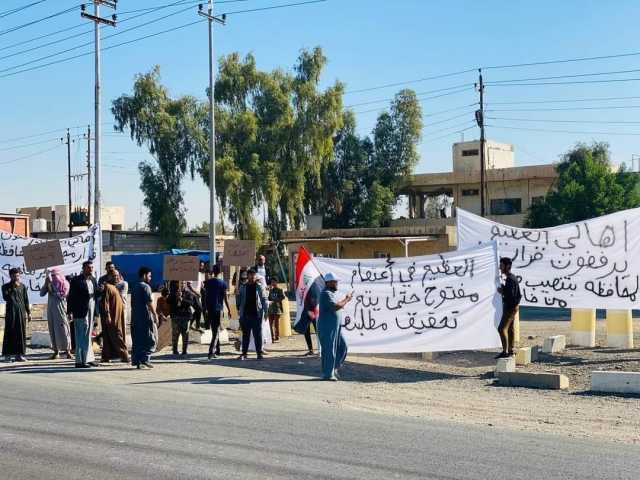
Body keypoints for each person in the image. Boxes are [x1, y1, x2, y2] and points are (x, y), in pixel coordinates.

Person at [318, 273, 353, 381]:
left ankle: (334, 368)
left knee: (343, 347)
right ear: (328, 283)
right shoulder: (326, 293)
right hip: (327, 327)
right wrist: (347, 299)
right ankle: (327, 374)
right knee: (329, 350)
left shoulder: (331, 293)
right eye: (334, 281)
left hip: (335, 327)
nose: (337, 283)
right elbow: (336, 306)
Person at [67, 261, 99, 368]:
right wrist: (70, 311)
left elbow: (96, 294)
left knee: (88, 335)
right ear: (84, 268)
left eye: (92, 267)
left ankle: (88, 359)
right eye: (89, 268)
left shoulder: (93, 280)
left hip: (91, 307)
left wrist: (101, 290)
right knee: (81, 335)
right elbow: (71, 297)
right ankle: (79, 361)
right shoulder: (76, 280)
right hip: (80, 310)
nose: (91, 269)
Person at [40, 268, 73, 360]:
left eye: (55, 275)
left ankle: (68, 351)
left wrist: (52, 286)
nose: (54, 277)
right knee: (53, 330)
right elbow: (42, 293)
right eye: (52, 275)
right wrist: (46, 284)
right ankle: (56, 351)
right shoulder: (49, 283)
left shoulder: (65, 284)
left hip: (61, 309)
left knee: (64, 329)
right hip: (51, 310)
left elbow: (61, 295)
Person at [236, 268, 268, 360]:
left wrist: (266, 312)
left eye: (254, 275)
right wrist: (237, 296)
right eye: (250, 275)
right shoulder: (243, 287)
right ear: (248, 276)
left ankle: (259, 353)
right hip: (245, 314)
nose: (252, 277)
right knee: (245, 335)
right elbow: (239, 300)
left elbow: (264, 299)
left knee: (257, 335)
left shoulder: (259, 286)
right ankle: (244, 353)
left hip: (256, 315)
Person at [130, 267, 158, 369]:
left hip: (135, 317)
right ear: (145, 275)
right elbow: (149, 302)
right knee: (150, 339)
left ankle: (137, 361)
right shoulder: (146, 287)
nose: (150, 278)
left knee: (137, 340)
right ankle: (145, 359)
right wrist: (155, 314)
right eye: (149, 276)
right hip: (145, 317)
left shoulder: (134, 286)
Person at [98, 271, 129, 364]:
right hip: (111, 317)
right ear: (109, 277)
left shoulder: (114, 287)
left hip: (116, 316)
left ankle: (106, 357)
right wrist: (108, 315)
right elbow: (105, 302)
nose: (116, 277)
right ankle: (124, 356)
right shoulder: (107, 287)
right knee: (117, 335)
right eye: (114, 276)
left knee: (108, 336)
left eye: (117, 276)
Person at [2, 268, 31, 362]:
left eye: (18, 275)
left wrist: (29, 313)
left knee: (21, 333)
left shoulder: (22, 286)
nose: (17, 277)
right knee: (10, 332)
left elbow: (26, 300)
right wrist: (13, 288)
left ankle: (19, 355)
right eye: (14, 276)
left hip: (21, 313)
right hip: (11, 313)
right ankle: (7, 355)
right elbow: (6, 298)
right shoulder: (5, 286)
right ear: (10, 276)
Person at [204, 264, 232, 360]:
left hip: (210, 309)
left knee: (215, 329)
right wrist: (228, 309)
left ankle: (218, 350)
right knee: (216, 331)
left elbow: (206, 296)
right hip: (218, 309)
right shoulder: (222, 283)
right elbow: (225, 298)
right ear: (220, 272)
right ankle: (211, 351)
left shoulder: (207, 283)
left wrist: (206, 308)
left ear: (213, 271)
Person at [496, 257, 522, 359]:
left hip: (510, 307)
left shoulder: (510, 279)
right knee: (510, 329)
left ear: (508, 266)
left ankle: (505, 352)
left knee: (501, 329)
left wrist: (502, 291)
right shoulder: (511, 277)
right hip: (512, 307)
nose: (500, 267)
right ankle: (510, 350)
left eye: (501, 265)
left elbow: (510, 295)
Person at [168, 281, 191, 357]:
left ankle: (184, 351)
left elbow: (191, 303)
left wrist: (182, 299)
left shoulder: (188, 293)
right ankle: (175, 350)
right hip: (176, 317)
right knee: (175, 335)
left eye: (183, 283)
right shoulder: (173, 293)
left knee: (185, 335)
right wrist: (175, 296)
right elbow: (168, 301)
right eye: (181, 283)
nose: (182, 285)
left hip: (185, 317)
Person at [267, 277, 285, 343]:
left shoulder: (279, 290)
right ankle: (271, 336)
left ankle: (277, 336)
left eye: (274, 282)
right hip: (270, 309)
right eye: (272, 282)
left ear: (277, 283)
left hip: (277, 309)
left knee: (276, 324)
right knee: (270, 324)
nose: (273, 283)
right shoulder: (270, 290)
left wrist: (275, 300)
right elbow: (268, 298)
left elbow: (283, 297)